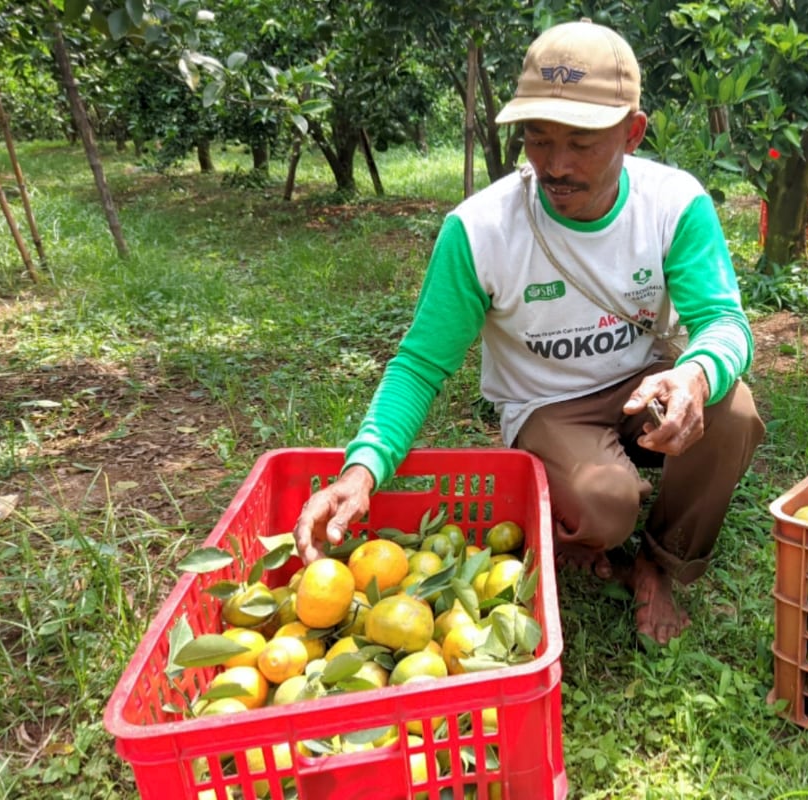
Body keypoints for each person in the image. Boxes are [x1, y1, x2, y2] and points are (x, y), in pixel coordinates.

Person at [293, 19, 765, 644]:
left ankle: (662, 562)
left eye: (582, 143)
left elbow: (726, 323)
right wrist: (362, 470)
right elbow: (420, 365)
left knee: (731, 410)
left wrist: (696, 375)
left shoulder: (675, 204)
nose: (557, 166)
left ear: (632, 132)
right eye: (538, 141)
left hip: (646, 380)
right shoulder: (481, 231)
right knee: (606, 503)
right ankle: (580, 522)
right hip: (548, 404)